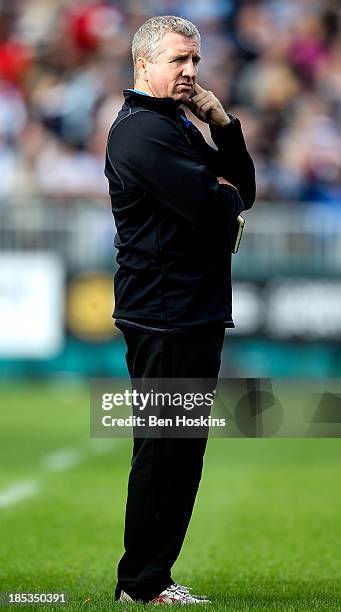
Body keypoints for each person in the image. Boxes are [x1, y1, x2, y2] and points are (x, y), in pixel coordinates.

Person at [105, 15, 255, 605]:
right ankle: (139, 583)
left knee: (181, 452)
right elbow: (214, 207)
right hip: (163, 313)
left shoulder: (179, 125)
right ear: (144, 64)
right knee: (165, 451)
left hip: (190, 310)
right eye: (178, 61)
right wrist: (223, 198)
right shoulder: (141, 133)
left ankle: (153, 578)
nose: (191, 72)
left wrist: (224, 124)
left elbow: (241, 189)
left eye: (195, 61)